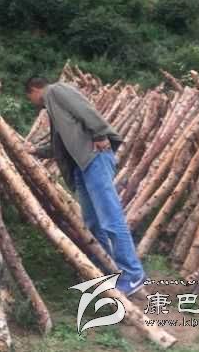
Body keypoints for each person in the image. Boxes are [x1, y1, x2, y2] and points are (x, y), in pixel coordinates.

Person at [24, 76, 146, 296]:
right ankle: (103, 269)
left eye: (29, 97)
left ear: (34, 90)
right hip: (81, 166)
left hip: (94, 158)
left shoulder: (56, 91)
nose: (32, 102)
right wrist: (35, 151)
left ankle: (133, 274)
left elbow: (85, 109)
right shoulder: (53, 108)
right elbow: (59, 146)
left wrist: (100, 133)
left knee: (110, 218)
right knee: (93, 222)